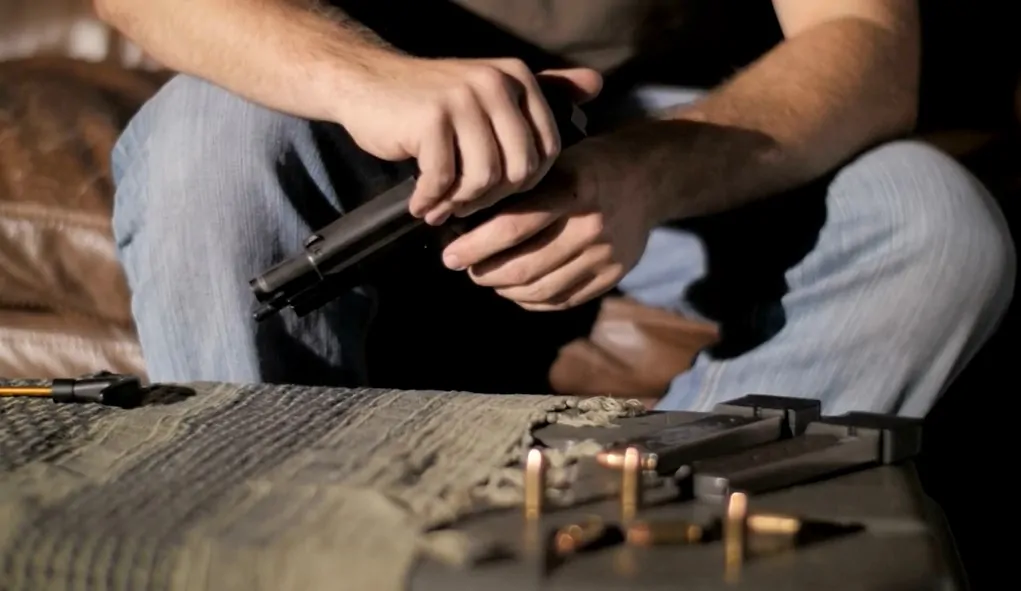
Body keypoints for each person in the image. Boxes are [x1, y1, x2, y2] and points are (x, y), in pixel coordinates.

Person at [95, 0, 1015, 417]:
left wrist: (646, 173)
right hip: (358, 115)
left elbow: (864, 41)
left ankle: (652, 544)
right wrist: (363, 80)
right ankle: (263, 545)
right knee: (205, 144)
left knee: (931, 225)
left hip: (663, 129)